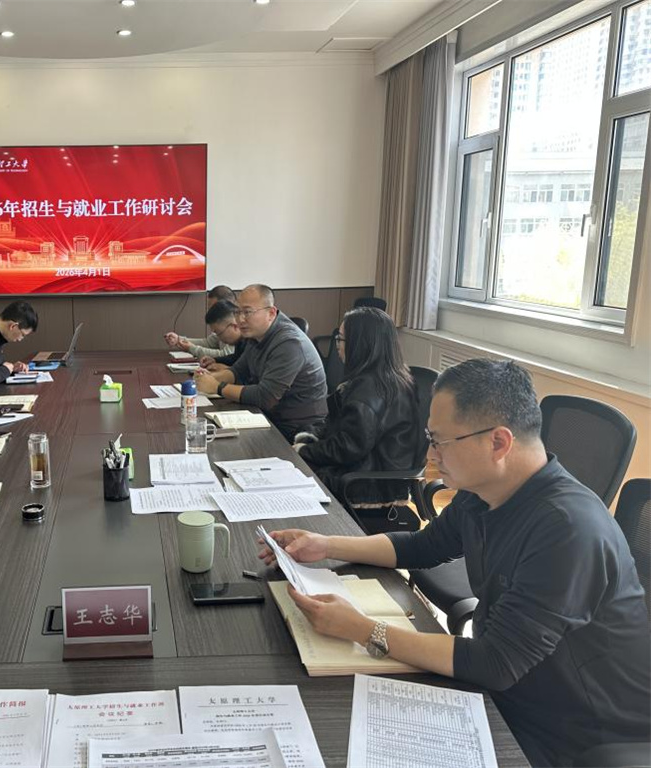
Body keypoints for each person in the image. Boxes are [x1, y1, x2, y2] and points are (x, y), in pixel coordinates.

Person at [260, 359, 651, 767]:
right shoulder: (485, 489)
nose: (430, 454)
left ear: (498, 443)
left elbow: (495, 663)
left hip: (573, 732)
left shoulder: (567, 530)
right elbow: (423, 546)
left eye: (439, 441)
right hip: (509, 691)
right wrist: (325, 545)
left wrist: (362, 628)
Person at [293, 307, 425, 531]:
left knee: (296, 477)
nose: (338, 345)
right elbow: (340, 426)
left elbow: (349, 447)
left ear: (360, 344)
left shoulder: (369, 389)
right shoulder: (386, 376)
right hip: (373, 474)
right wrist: (310, 437)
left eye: (341, 339)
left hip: (367, 484)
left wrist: (304, 450)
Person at [194, 284, 327, 441]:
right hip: (268, 417)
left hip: (296, 430)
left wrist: (217, 387)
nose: (240, 319)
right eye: (237, 312)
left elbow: (265, 397)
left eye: (247, 312)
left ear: (271, 313)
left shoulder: (289, 343)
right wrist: (207, 378)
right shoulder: (256, 334)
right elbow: (238, 371)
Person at [164, 285, 237, 359]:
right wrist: (179, 339)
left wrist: (192, 348)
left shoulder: (236, 326)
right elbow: (209, 343)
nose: (209, 312)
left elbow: (226, 354)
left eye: (213, 308)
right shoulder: (221, 325)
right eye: (209, 308)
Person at [0, 300, 38, 386]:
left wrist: (12, 369)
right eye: (22, 335)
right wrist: (4, 371)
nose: (20, 339)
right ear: (13, 326)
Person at [195, 300, 246, 371]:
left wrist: (228, 370)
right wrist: (215, 360)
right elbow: (235, 358)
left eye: (218, 333)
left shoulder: (252, 342)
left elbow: (250, 374)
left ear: (235, 326)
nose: (219, 338)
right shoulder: (240, 342)